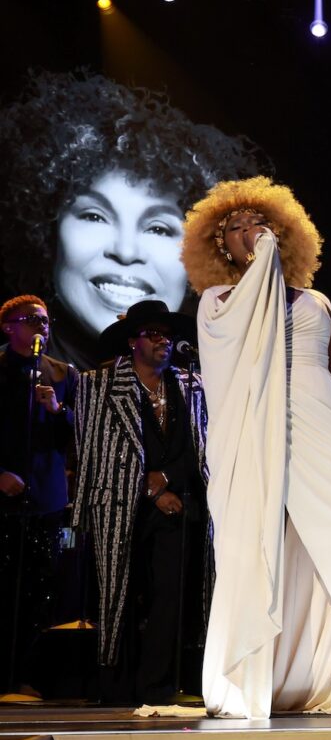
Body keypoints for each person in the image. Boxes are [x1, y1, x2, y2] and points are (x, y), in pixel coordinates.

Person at [182, 176, 331, 718]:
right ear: (222, 247)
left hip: (324, 429)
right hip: (259, 438)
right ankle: (250, 678)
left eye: (258, 224)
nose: (247, 232)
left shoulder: (317, 303)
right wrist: (260, 276)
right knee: (257, 549)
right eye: (234, 229)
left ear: (282, 234)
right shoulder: (220, 304)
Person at [0, 70, 265, 368]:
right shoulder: (9, 376)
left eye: (158, 228)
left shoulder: (205, 387)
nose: (126, 252)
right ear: (47, 230)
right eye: (94, 216)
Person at [73, 299, 209, 705]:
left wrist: (167, 479)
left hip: (178, 507)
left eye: (168, 335)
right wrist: (150, 490)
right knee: (119, 595)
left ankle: (158, 687)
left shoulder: (191, 386)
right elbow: (91, 449)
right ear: (133, 342)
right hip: (118, 504)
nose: (163, 342)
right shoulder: (97, 385)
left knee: (170, 596)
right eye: (153, 334)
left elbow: (200, 447)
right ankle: (116, 688)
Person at [0, 295, 79, 693]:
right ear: (8, 327)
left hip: (45, 498)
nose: (41, 328)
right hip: (4, 498)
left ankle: (26, 676)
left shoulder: (63, 374)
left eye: (46, 322)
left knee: (39, 589)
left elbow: (79, 436)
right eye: (31, 320)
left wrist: (57, 410)